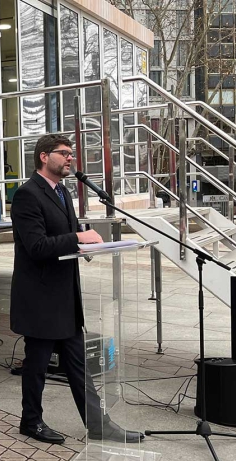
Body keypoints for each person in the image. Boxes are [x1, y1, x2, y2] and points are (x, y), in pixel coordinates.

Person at [10, 133, 142, 445]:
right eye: (64, 153)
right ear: (44, 156)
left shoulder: (62, 193)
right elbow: (36, 246)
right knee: (37, 365)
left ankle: (98, 425)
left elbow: (64, 237)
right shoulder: (28, 194)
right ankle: (30, 421)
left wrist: (84, 245)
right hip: (41, 298)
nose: (70, 158)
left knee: (78, 365)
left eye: (71, 154)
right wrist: (79, 239)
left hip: (65, 298)